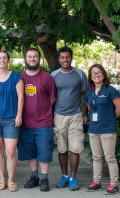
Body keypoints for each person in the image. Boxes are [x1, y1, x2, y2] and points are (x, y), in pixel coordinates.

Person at [18, 48, 56, 192]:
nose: (32, 59)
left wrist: (42, 110)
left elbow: (52, 99)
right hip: (26, 123)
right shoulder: (20, 78)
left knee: (44, 151)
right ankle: (34, 177)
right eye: (29, 56)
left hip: (43, 122)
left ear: (38, 58)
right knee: (30, 151)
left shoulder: (47, 78)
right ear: (25, 59)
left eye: (35, 56)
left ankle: (44, 178)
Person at [0, 50, 24, 192]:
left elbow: (21, 97)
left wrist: (19, 115)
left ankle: (11, 180)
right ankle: (2, 178)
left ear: (8, 60)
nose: (1, 60)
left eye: (4, 58)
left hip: (11, 119)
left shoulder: (16, 77)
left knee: (11, 151)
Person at [51, 46, 88, 191]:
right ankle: (64, 176)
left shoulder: (79, 74)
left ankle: (73, 178)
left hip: (76, 116)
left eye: (67, 57)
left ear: (71, 58)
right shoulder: (53, 75)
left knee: (75, 148)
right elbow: (50, 97)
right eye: (62, 57)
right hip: (59, 116)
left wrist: (85, 113)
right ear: (59, 59)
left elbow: (86, 95)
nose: (65, 60)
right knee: (62, 149)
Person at [85, 64, 119, 195]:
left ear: (103, 74)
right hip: (94, 130)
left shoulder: (110, 90)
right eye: (93, 73)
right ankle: (96, 182)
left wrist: (109, 119)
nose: (96, 75)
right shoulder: (89, 92)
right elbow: (90, 108)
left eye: (99, 72)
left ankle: (114, 185)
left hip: (107, 130)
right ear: (90, 77)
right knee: (96, 157)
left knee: (110, 158)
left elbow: (119, 108)